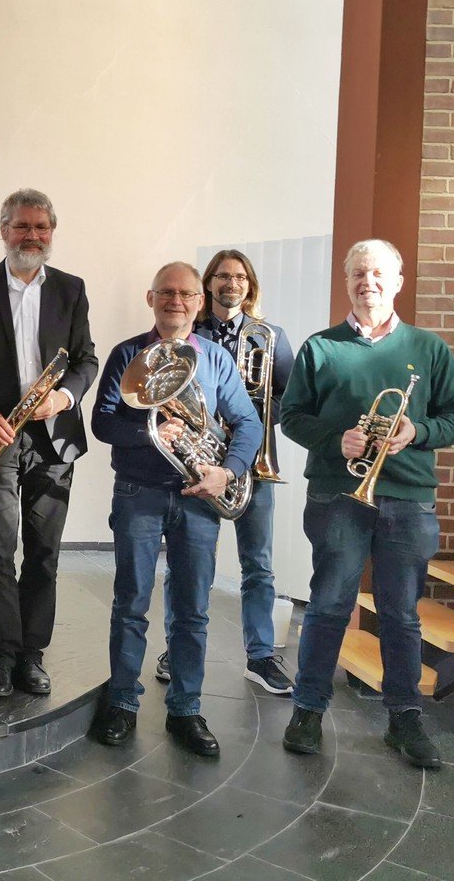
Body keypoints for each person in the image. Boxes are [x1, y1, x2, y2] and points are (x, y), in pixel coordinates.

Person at [280, 239, 454, 769]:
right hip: (339, 495)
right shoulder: (321, 347)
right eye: (359, 273)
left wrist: (419, 429)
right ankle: (308, 710)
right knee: (328, 606)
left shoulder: (429, 349)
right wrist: (332, 438)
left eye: (379, 274)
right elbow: (291, 416)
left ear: (398, 281)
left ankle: (404, 718)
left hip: (409, 500)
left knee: (401, 615)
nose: (369, 282)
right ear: (347, 282)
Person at [90, 262, 262, 757]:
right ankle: (122, 702)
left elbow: (246, 423)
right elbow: (104, 424)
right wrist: (149, 432)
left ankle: (185, 709)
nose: (177, 301)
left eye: (186, 294)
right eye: (166, 292)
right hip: (138, 492)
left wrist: (225, 471)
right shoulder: (127, 353)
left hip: (198, 497)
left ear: (199, 302)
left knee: (192, 611)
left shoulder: (215, 360)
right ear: (151, 298)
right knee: (131, 603)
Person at [0, 189, 98, 699]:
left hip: (52, 439)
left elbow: (86, 360)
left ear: (51, 233)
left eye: (41, 227)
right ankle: (0, 651)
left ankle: (32, 653)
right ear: (3, 229)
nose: (32, 236)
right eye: (22, 226)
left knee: (44, 553)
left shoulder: (71, 290)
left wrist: (64, 397)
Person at [152, 250, 297, 697]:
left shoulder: (271, 336)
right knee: (189, 563)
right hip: (200, 462)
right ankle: (178, 650)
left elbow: (286, 401)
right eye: (222, 276)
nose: (231, 283)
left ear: (249, 285)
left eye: (239, 277)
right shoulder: (189, 333)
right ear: (208, 286)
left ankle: (260, 656)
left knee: (258, 565)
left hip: (254, 464)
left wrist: (243, 424)